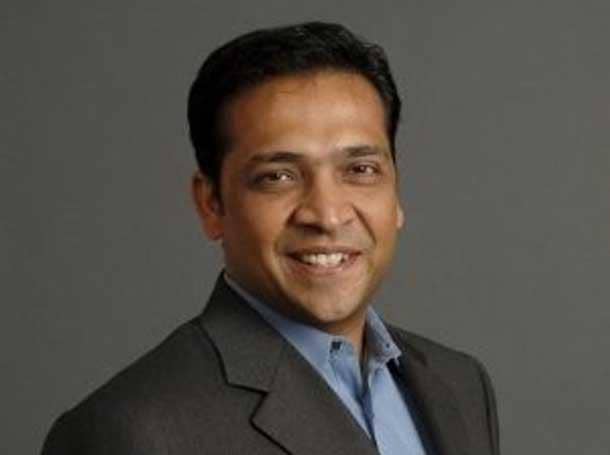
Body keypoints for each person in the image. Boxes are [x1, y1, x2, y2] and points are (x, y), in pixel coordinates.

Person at [41, 22, 500, 455]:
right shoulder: (129, 431)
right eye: (277, 176)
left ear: (396, 191)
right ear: (211, 204)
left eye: (360, 170)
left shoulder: (459, 385)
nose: (327, 214)